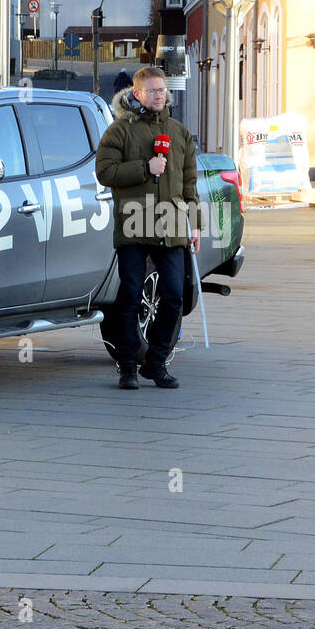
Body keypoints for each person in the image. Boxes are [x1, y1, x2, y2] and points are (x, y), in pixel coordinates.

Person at [96, 66, 201, 390]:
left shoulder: (179, 133)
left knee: (173, 296)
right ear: (137, 94)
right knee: (129, 297)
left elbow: (189, 182)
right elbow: (105, 172)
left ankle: (155, 363)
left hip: (170, 226)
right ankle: (127, 366)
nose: (159, 95)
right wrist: (146, 168)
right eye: (153, 91)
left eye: (163, 91)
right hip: (133, 224)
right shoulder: (120, 131)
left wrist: (195, 225)